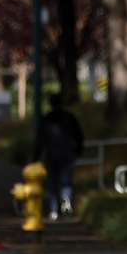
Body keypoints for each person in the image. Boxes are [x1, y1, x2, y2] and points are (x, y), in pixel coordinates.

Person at [35, 93, 84, 221]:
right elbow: (79, 136)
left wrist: (35, 158)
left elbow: (40, 141)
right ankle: (66, 206)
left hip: (51, 156)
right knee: (66, 181)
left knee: (52, 183)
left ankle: (53, 209)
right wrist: (78, 151)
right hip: (67, 154)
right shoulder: (69, 117)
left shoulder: (46, 119)